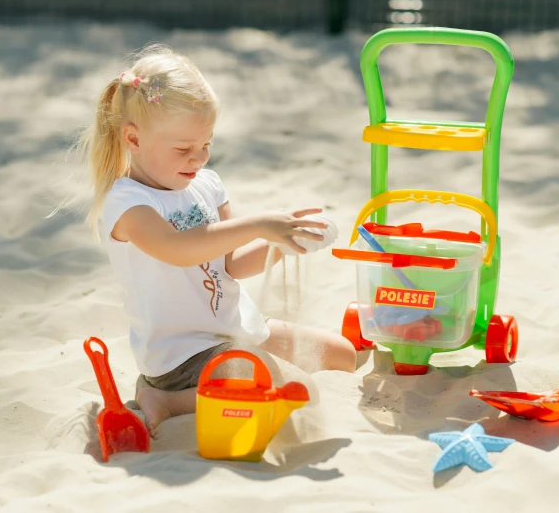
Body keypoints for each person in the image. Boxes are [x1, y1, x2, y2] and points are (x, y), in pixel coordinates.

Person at [80, 44, 356, 437]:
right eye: (183, 149)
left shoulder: (206, 184)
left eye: (206, 144)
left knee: (341, 357)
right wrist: (259, 223)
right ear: (134, 139)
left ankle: (216, 381)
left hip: (235, 328)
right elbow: (177, 250)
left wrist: (283, 239)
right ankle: (168, 400)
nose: (199, 159)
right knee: (273, 384)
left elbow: (233, 264)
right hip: (180, 356)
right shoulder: (128, 203)